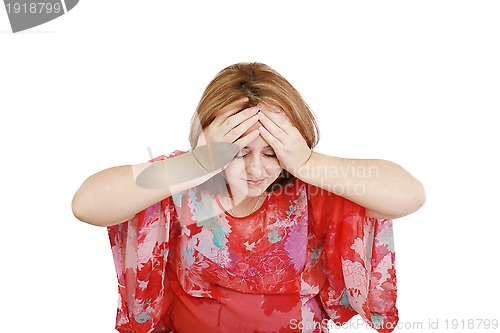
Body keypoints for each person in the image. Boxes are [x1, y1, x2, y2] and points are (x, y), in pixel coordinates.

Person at [72, 62, 425, 333]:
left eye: (272, 153)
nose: (256, 170)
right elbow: (86, 205)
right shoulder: (183, 178)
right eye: (238, 153)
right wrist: (196, 163)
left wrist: (306, 162)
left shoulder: (310, 186)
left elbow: (410, 195)